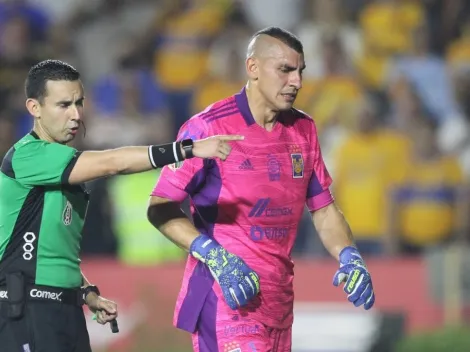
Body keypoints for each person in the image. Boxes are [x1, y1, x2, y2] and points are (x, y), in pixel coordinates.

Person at [147, 27, 376, 352]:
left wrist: (349, 255)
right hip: (224, 297)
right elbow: (160, 206)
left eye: (300, 71)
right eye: (285, 69)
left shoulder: (303, 129)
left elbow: (323, 209)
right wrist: (215, 256)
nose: (296, 81)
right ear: (252, 68)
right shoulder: (208, 128)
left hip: (278, 303)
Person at [0, 59, 242, 352]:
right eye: (63, 105)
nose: (76, 114)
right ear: (34, 108)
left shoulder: (66, 173)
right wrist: (187, 148)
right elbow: (112, 162)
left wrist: (87, 293)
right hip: (26, 309)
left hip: (64, 309)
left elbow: (52, 249)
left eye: (79, 103)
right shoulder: (28, 157)